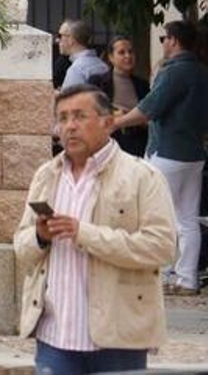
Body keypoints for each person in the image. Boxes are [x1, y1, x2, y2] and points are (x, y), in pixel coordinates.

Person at [15, 83, 175, 373]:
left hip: (118, 336)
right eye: (62, 118)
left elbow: (161, 247)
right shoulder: (46, 176)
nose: (70, 126)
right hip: (54, 337)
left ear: (108, 123)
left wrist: (83, 233)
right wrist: (40, 237)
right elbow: (21, 247)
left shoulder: (143, 177)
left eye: (79, 116)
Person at [111, 20, 208, 296]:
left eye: (164, 38)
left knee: (158, 215)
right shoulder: (202, 72)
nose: (163, 43)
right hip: (193, 153)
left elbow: (148, 108)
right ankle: (187, 279)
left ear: (174, 40)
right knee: (187, 219)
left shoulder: (174, 72)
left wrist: (115, 123)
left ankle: (162, 274)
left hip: (166, 152)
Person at [106, 36, 150, 158]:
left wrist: (131, 116)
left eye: (130, 52)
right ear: (111, 57)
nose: (128, 56)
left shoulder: (142, 84)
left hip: (138, 145)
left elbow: (149, 114)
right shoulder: (98, 82)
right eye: (121, 52)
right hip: (110, 144)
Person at [57, 19, 110, 93]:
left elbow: (69, 99)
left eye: (60, 36)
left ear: (71, 39)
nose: (57, 40)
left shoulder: (76, 70)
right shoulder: (103, 65)